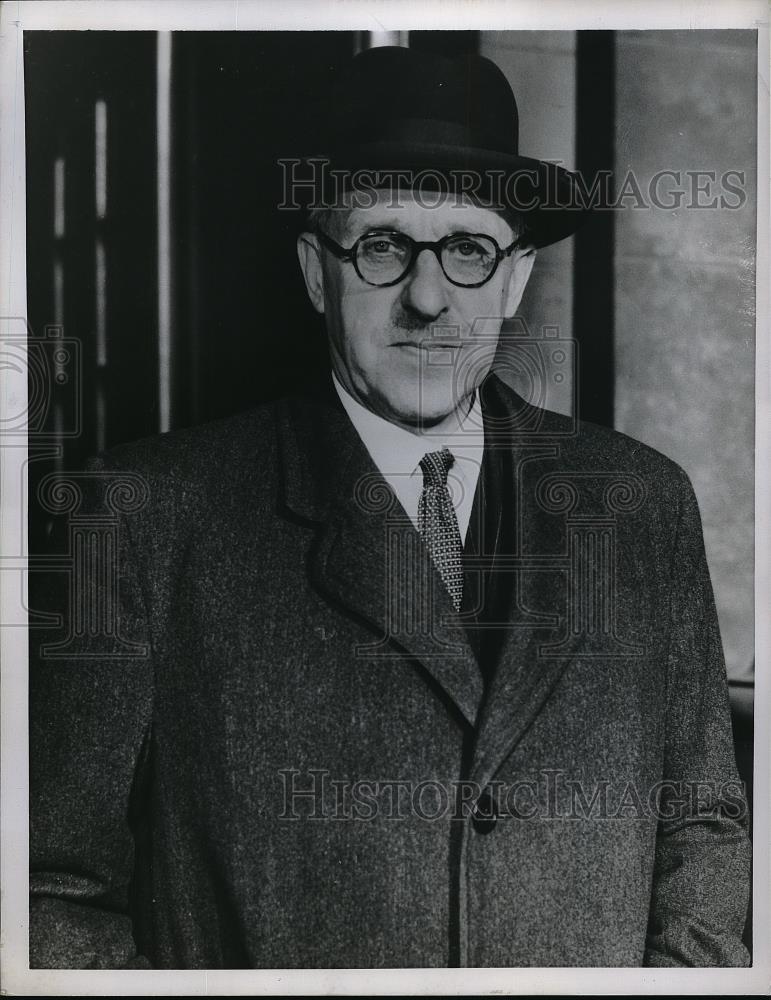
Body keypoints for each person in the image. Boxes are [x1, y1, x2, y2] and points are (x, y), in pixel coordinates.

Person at [29, 45, 750, 969]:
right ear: (313, 270)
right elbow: (53, 890)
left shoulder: (643, 502)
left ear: (514, 277)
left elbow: (703, 824)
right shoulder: (138, 516)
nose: (427, 296)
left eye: (467, 249)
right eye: (381, 247)